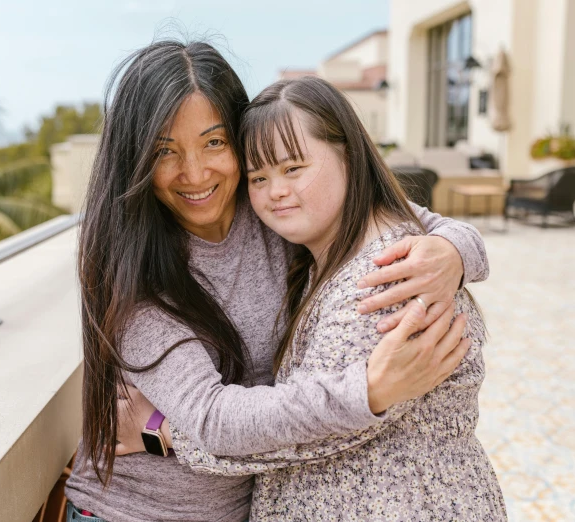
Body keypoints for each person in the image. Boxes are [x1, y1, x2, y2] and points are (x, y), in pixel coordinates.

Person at [65, 40, 491, 522]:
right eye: (165, 152)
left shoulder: (272, 202)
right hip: (132, 513)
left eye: (214, 142)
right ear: (136, 160)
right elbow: (214, 419)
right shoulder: (133, 271)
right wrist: (367, 390)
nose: (195, 172)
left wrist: (455, 251)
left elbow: (407, 216)